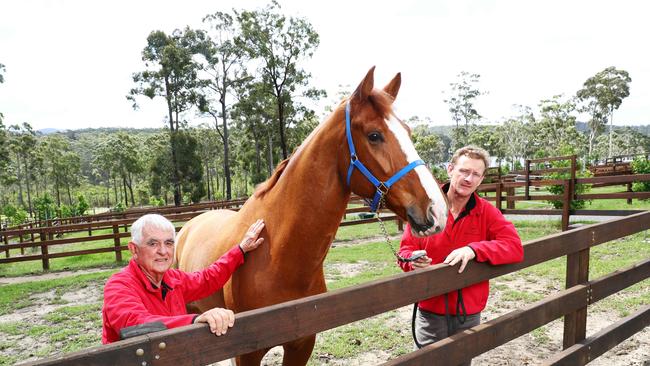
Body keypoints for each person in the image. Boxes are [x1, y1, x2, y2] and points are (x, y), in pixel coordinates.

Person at [398, 146, 523, 360]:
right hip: (430, 311)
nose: (468, 178)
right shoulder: (425, 206)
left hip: (468, 313)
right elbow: (405, 251)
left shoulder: (486, 212)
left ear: (481, 179)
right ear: (450, 169)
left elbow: (514, 247)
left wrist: (475, 249)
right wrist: (412, 260)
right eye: (463, 171)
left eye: (475, 174)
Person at [102, 214, 264, 344]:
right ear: (134, 249)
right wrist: (194, 320)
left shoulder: (173, 279)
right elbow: (135, 323)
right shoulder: (119, 285)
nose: (163, 251)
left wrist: (240, 250)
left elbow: (207, 279)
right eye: (153, 244)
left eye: (169, 243)